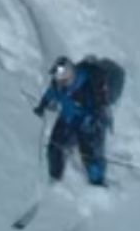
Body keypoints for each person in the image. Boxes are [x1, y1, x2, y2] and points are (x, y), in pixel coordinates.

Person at [33, 56, 114, 187]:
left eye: (62, 81)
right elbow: (51, 92)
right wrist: (42, 105)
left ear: (70, 77)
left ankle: (97, 182)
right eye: (58, 80)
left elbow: (97, 110)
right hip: (67, 118)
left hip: (86, 123)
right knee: (54, 147)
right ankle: (54, 178)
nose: (59, 83)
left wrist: (91, 122)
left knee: (89, 155)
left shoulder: (86, 88)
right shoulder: (59, 83)